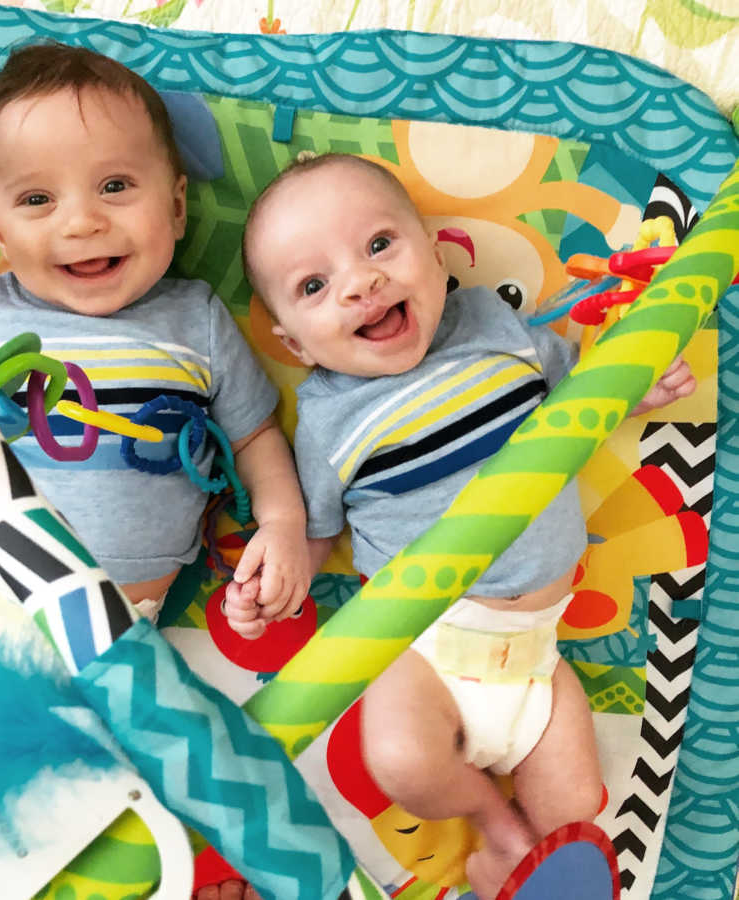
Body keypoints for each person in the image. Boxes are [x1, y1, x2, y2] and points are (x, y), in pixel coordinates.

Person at [237, 152, 696, 899]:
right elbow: (317, 533)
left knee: (576, 809)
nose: (360, 283)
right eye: (314, 286)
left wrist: (631, 388)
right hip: (425, 642)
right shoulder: (328, 416)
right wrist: (278, 570)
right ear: (293, 343)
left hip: (538, 653)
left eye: (380, 244)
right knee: (400, 760)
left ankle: (506, 868)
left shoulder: (490, 323)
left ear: (435, 250)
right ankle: (492, 823)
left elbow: (573, 397)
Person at [0, 42, 309, 709]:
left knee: (96, 775)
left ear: (177, 208)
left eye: (116, 187)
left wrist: (283, 522)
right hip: (0, 585)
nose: (83, 221)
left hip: (125, 624)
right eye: (37, 199)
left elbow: (256, 435)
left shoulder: (195, 320)